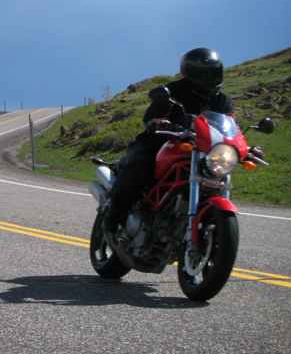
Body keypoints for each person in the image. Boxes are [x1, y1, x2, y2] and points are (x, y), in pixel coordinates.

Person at [103, 47, 240, 235]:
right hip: (159, 143)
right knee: (139, 168)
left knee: (216, 177)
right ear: (191, 74)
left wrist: (246, 147)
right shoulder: (173, 91)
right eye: (203, 74)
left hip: (202, 151)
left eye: (213, 73)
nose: (210, 78)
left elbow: (231, 127)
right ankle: (113, 217)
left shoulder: (222, 101)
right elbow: (153, 114)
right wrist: (158, 122)